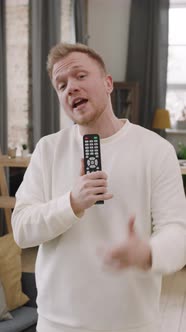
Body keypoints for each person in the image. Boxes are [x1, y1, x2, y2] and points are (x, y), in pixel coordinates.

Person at [12, 42, 186, 332]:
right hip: (57, 324)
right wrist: (71, 203)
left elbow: (178, 231)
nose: (71, 88)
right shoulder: (48, 150)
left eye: (80, 76)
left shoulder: (155, 150)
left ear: (108, 84)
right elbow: (21, 230)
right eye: (61, 84)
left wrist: (148, 252)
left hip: (134, 324)